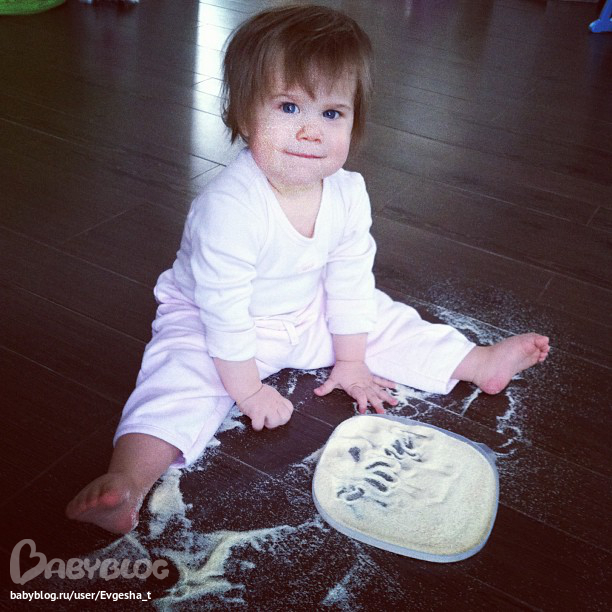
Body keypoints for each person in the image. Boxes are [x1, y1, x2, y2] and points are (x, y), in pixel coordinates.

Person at [66, 5, 549, 535]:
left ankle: (475, 362)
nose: (311, 131)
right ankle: (128, 482)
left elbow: (350, 280)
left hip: (305, 308)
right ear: (244, 116)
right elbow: (224, 312)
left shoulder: (349, 192)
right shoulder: (228, 208)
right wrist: (248, 392)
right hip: (215, 322)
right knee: (181, 378)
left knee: (384, 317)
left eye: (332, 114)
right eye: (290, 106)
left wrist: (352, 360)